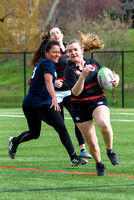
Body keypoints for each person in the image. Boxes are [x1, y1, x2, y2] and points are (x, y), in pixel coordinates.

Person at [8, 39, 88, 167]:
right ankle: (14, 141)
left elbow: (30, 81)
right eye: (53, 52)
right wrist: (53, 95)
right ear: (46, 53)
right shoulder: (47, 63)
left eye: (58, 52)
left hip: (45, 104)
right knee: (34, 134)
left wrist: (46, 82)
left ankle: (74, 157)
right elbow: (47, 82)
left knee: (61, 127)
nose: (57, 54)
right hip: (32, 106)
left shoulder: (44, 62)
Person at [65, 32, 120, 175]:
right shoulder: (69, 70)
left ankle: (110, 150)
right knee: (92, 143)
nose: (73, 53)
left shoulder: (93, 64)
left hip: (97, 101)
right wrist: (82, 75)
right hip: (79, 107)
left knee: (104, 123)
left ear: (81, 50)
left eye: (75, 50)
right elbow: (76, 92)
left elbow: (107, 76)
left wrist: (116, 80)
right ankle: (99, 163)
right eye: (69, 51)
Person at [41, 27, 92, 158]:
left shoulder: (70, 51)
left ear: (62, 35)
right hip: (56, 93)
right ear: (50, 38)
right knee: (60, 124)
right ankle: (41, 115)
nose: (55, 35)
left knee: (78, 119)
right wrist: (54, 82)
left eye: (57, 33)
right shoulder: (50, 54)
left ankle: (82, 149)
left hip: (70, 91)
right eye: (52, 34)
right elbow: (43, 71)